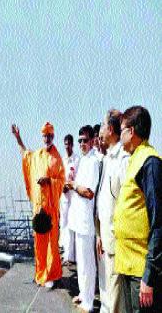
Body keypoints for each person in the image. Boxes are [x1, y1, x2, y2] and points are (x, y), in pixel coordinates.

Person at [113, 105, 162, 313]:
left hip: (141, 270)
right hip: (128, 264)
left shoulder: (149, 163)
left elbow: (158, 222)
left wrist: (148, 276)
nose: (119, 134)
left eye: (122, 129)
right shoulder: (135, 159)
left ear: (131, 131)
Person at [11, 122, 65, 288]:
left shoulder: (57, 158)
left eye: (49, 136)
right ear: (42, 137)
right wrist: (18, 137)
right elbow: (25, 155)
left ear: (53, 136)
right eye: (45, 136)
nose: (47, 138)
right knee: (39, 243)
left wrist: (49, 181)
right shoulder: (38, 155)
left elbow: (62, 181)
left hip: (50, 207)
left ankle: (51, 274)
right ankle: (41, 272)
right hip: (38, 208)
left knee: (51, 244)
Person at [95, 109, 129, 313]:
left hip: (116, 241)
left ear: (110, 129)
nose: (99, 130)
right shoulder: (108, 158)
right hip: (105, 239)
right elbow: (103, 200)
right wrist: (99, 233)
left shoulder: (123, 159)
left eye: (102, 125)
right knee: (106, 294)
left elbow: (125, 203)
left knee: (115, 299)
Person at [66, 125, 100, 313]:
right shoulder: (83, 160)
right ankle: (83, 293)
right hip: (78, 220)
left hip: (86, 222)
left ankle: (88, 302)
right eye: (79, 140)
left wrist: (74, 185)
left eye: (84, 140)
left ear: (92, 140)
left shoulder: (93, 162)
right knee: (81, 261)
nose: (81, 144)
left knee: (87, 262)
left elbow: (88, 192)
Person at [60, 134, 79, 265]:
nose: (67, 146)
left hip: (74, 196)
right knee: (64, 224)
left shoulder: (77, 159)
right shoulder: (62, 160)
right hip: (64, 197)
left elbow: (78, 176)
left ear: (72, 144)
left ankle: (73, 255)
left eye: (69, 144)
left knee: (73, 225)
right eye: (65, 144)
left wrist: (70, 186)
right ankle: (67, 254)